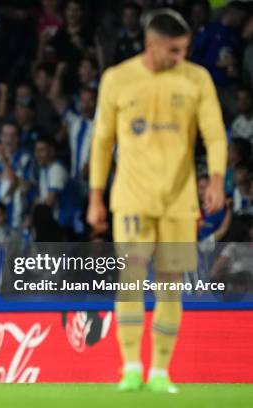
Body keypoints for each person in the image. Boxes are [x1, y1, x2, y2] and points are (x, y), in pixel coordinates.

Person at [87, 9, 227, 393]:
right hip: (131, 200)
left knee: (170, 284)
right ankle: (131, 368)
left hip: (180, 202)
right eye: (176, 50)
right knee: (130, 280)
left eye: (185, 49)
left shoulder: (196, 78)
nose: (183, 57)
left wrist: (216, 180)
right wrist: (95, 196)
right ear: (153, 45)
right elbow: (101, 142)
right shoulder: (117, 79)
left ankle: (161, 372)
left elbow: (215, 135)